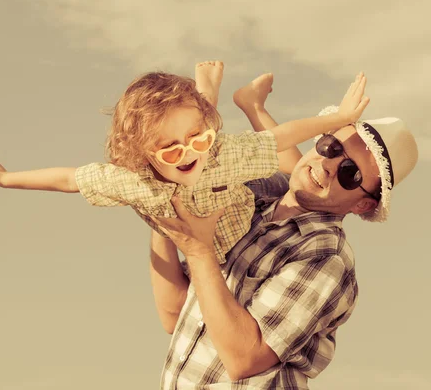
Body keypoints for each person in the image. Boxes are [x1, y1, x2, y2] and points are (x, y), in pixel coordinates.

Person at [150, 73, 419, 389]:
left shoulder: (325, 255)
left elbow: (245, 359)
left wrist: (199, 252)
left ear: (362, 206)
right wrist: (164, 213)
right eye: (330, 146)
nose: (330, 165)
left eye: (351, 173)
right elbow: (174, 314)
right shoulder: (253, 208)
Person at [0, 61, 369, 265]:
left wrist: (338, 119)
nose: (187, 153)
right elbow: (69, 179)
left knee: (293, 175)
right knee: (280, 168)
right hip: (213, 243)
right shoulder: (132, 182)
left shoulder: (217, 156)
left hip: (250, 209)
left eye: (197, 137)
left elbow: (285, 135)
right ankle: (210, 100)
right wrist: (5, 179)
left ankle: (208, 102)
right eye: (168, 150)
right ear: (142, 155)